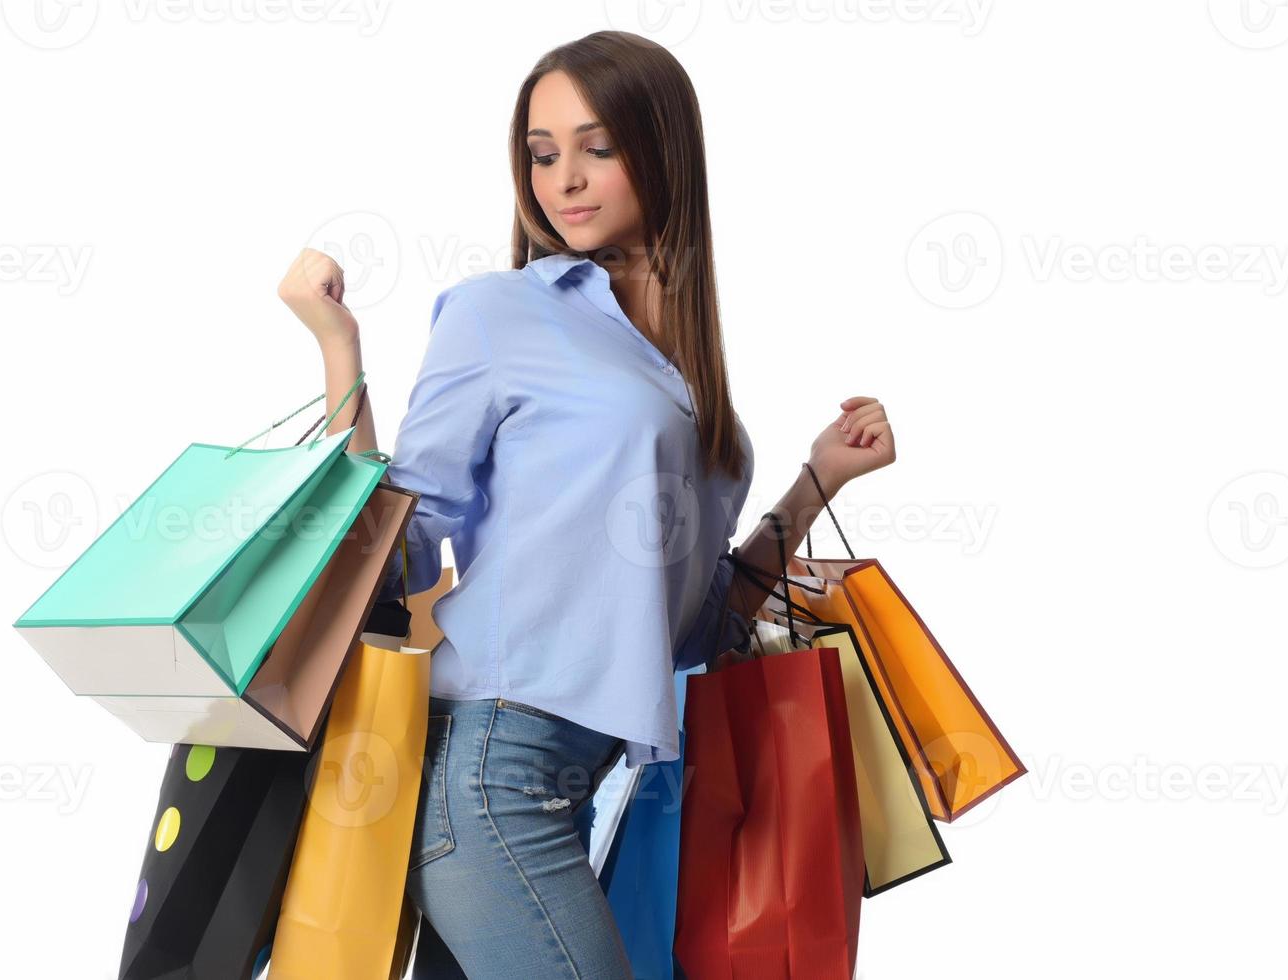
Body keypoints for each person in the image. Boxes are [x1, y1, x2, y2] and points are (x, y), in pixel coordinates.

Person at [275, 31, 897, 979]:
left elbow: (699, 626)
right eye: (542, 152)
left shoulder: (691, 383)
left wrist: (818, 481)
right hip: (488, 781)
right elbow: (387, 555)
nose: (563, 177)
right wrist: (338, 352)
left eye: (596, 147)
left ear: (664, 153)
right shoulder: (499, 314)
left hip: (577, 792)